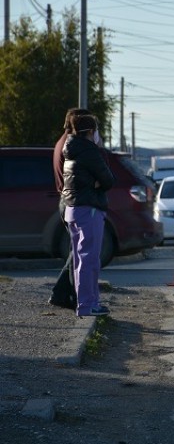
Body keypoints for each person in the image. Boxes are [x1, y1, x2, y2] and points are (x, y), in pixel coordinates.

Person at [61, 114, 115, 317]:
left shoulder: (70, 148)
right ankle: (87, 304)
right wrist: (98, 184)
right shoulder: (89, 151)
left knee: (79, 259)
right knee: (89, 259)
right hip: (89, 209)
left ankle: (86, 303)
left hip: (72, 209)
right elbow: (109, 179)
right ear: (91, 132)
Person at [48, 108, 91, 310]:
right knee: (79, 251)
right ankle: (68, 293)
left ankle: (63, 293)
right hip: (73, 200)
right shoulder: (73, 146)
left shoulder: (60, 143)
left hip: (65, 198)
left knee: (75, 250)